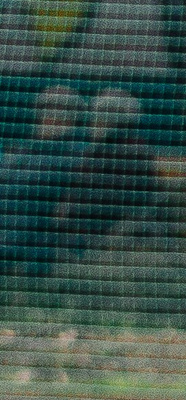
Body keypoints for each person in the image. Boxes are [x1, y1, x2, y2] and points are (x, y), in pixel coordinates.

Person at [56, 88, 159, 261]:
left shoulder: (130, 152)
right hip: (85, 229)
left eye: (98, 116)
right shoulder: (95, 151)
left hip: (108, 231)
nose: (92, 122)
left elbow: (114, 200)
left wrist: (69, 210)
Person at [0, 86, 83, 275]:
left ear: (74, 116)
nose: (53, 114)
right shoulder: (17, 155)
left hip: (37, 248)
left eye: (63, 109)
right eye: (48, 106)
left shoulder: (76, 157)